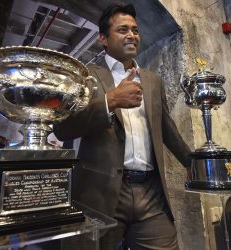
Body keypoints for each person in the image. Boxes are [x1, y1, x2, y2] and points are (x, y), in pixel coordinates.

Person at [53, 3, 191, 250]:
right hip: (100, 193)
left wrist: (194, 164)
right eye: (123, 30)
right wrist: (111, 101)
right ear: (103, 39)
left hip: (152, 194)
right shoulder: (85, 75)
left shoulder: (152, 80)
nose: (132, 35)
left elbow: (167, 129)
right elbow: (63, 128)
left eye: (135, 30)